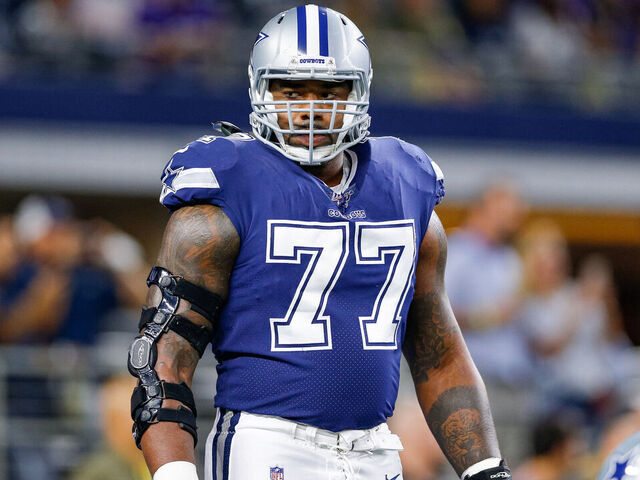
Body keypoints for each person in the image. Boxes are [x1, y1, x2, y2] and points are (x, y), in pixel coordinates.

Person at [128, 5, 511, 480]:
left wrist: (486, 469)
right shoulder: (223, 200)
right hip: (267, 445)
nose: (311, 108)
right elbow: (162, 362)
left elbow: (439, 354)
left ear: (361, 92)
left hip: (377, 446)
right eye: (291, 90)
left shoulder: (404, 189)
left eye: (330, 91)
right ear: (260, 90)